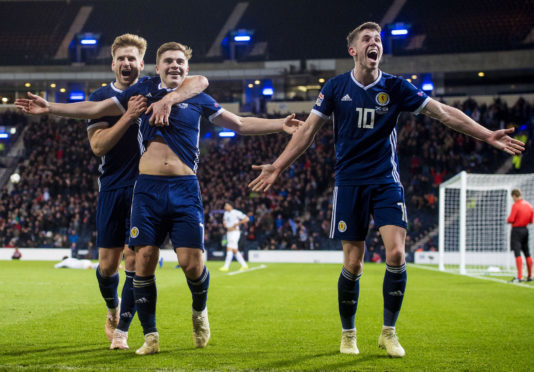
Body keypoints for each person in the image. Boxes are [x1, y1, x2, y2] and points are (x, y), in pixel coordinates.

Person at [248, 21, 525, 358]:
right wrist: (277, 165)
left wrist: (486, 134)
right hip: (349, 182)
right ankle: (348, 333)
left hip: (385, 180)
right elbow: (306, 132)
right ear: (353, 50)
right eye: (367, 39)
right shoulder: (335, 88)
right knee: (354, 263)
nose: (374, 43)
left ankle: (388, 332)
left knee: (395, 253)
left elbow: (443, 113)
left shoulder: (395, 87)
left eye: (378, 39)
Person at [15, 34, 209, 351]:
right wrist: (52, 107)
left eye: (132, 58)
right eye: (122, 58)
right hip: (112, 186)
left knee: (137, 259)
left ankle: (124, 330)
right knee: (107, 265)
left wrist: (167, 100)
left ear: (142, 64)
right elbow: (97, 145)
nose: (127, 63)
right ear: (113, 62)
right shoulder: (104, 97)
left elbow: (198, 80)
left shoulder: (151, 88)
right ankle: (112, 307)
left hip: (145, 187)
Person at [112, 41, 301, 356]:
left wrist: (278, 126)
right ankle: (151, 336)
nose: (174, 65)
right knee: (144, 260)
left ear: (187, 69)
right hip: (146, 190)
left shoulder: (199, 98)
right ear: (156, 67)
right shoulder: (142, 95)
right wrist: (52, 108)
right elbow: (94, 106)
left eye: (180, 62)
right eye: (168, 61)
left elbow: (239, 124)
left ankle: (199, 310)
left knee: (192, 265)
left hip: (185, 189)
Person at [507, 188, 533, 282]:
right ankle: (530, 276)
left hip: (517, 230)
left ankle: (520, 276)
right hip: (525, 230)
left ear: (514, 196)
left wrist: (509, 220)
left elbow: (511, 219)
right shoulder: (529, 205)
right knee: (527, 252)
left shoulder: (516, 205)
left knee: (517, 252)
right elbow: (531, 220)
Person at [220, 201, 250, 272]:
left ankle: (226, 266)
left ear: (230, 206)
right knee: (235, 250)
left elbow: (247, 218)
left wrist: (238, 223)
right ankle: (244, 265)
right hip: (229, 232)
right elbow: (224, 219)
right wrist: (224, 222)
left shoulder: (236, 212)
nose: (225, 207)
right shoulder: (226, 213)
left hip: (235, 232)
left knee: (229, 247)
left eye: (226, 205)